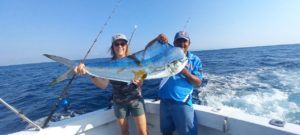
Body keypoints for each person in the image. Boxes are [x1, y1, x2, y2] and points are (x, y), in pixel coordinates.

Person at [74, 33, 148, 135]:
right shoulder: (109, 64)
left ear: (126, 45)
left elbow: (142, 76)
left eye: (123, 43)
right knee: (124, 131)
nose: (120, 46)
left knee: (143, 132)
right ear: (113, 47)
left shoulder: (135, 60)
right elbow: (103, 85)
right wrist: (90, 73)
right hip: (119, 103)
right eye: (116, 44)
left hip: (136, 100)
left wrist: (140, 82)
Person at [156, 31, 203, 135]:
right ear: (174, 43)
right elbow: (154, 52)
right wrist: (158, 39)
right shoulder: (167, 56)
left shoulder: (195, 60)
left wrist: (185, 72)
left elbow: (198, 83)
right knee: (166, 132)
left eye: (184, 41)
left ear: (189, 43)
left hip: (182, 103)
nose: (181, 44)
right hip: (164, 103)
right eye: (178, 41)